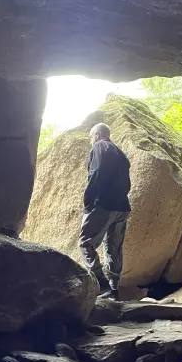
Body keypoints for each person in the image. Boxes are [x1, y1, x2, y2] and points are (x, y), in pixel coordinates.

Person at [78, 122, 131, 299]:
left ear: (98, 134)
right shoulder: (120, 153)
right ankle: (114, 288)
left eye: (91, 136)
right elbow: (126, 183)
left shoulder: (100, 147)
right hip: (122, 206)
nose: (91, 140)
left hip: (103, 204)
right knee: (113, 247)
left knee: (86, 242)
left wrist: (89, 200)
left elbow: (97, 173)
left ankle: (100, 284)